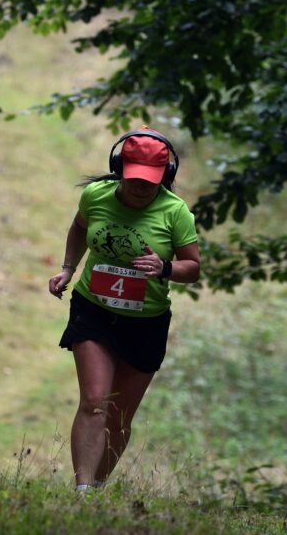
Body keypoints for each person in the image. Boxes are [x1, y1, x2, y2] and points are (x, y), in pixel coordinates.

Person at [48, 127, 201, 491]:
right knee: (95, 401)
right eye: (135, 178)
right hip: (94, 310)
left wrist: (164, 268)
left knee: (119, 417)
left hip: (145, 323)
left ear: (166, 176)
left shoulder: (175, 212)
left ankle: (98, 486)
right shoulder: (96, 196)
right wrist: (68, 268)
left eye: (150, 181)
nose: (142, 187)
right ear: (120, 168)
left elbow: (192, 269)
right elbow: (79, 228)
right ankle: (82, 491)